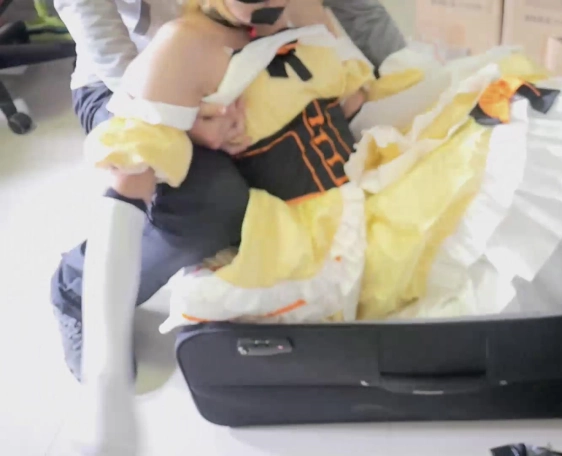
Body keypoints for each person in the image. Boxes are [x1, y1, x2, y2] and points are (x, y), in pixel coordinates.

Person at [51, 0, 407, 382]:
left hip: (243, 54)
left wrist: (409, 72)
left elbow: (356, 13)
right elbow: (99, 31)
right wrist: (181, 114)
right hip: (134, 79)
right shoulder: (176, 45)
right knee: (212, 204)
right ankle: (77, 291)